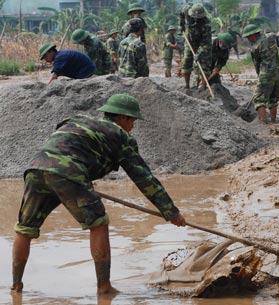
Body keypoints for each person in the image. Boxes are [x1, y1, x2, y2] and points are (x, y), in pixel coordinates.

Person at [10, 93, 186, 295]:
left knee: (25, 228)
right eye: (133, 121)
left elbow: (66, 144)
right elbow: (145, 179)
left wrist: (79, 179)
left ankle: (16, 286)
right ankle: (104, 288)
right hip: (69, 173)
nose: (133, 126)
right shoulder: (121, 137)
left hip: (36, 169)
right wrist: (171, 212)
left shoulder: (77, 120)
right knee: (99, 223)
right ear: (123, 118)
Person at [242, 24, 279, 124]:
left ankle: (263, 124)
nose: (248, 39)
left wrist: (260, 78)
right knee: (273, 99)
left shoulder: (254, 47)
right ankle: (273, 122)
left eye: (249, 37)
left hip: (266, 74)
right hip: (277, 73)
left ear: (253, 35)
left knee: (258, 100)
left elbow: (257, 65)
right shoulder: (271, 36)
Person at [180, 3, 212, 89]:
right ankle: (187, 85)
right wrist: (181, 26)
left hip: (201, 42)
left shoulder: (206, 24)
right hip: (189, 39)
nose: (196, 19)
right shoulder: (186, 10)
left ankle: (203, 85)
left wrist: (199, 53)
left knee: (204, 62)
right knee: (186, 60)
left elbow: (206, 43)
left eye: (198, 18)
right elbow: (181, 15)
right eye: (194, 16)